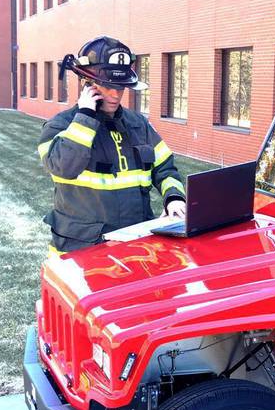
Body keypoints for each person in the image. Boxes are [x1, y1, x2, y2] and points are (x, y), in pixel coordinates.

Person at [38, 36, 186, 255]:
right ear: (87, 83)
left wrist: (174, 198)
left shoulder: (139, 124)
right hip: (82, 251)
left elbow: (166, 168)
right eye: (108, 86)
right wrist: (86, 116)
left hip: (135, 245)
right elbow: (63, 167)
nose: (116, 94)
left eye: (121, 87)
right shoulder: (60, 125)